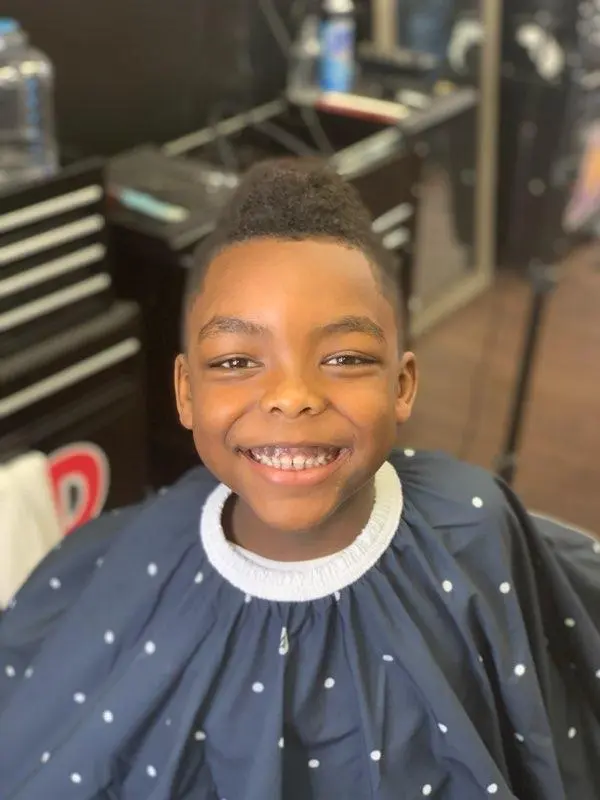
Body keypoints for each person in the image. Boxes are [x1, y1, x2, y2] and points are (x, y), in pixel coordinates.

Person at [1, 158, 599, 800]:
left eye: (344, 357)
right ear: (185, 392)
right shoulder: (136, 557)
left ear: (402, 385)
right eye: (235, 360)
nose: (291, 396)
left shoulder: (476, 525)